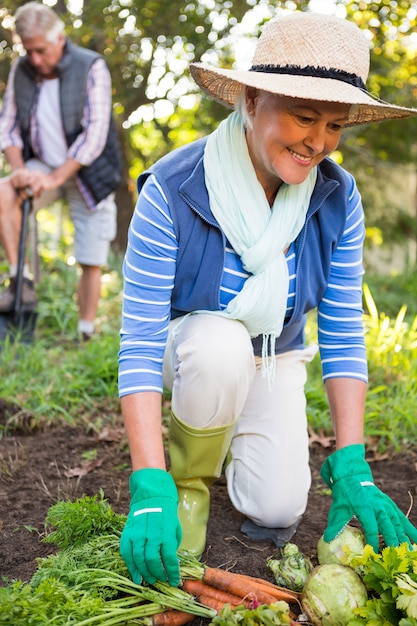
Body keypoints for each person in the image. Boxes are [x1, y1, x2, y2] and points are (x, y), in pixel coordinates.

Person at [118, 11, 417, 587]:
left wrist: (352, 460)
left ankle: (229, 435)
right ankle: (185, 481)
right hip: (190, 354)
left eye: (335, 126)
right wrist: (146, 480)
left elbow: (342, 330)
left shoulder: (336, 196)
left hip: (273, 355)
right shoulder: (172, 190)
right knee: (218, 343)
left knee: (278, 508)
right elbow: (139, 340)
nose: (318, 143)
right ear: (252, 100)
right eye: (304, 117)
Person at [0, 2, 122, 341]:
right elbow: (7, 127)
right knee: (4, 193)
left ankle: (85, 333)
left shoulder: (91, 66)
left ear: (59, 38)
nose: (35, 60)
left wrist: (55, 178)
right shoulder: (21, 70)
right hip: (40, 165)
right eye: (28, 51)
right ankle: (21, 285)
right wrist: (21, 170)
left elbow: (94, 134)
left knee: (90, 257)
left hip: (87, 170)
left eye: (40, 50)